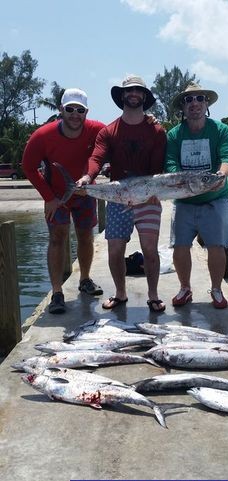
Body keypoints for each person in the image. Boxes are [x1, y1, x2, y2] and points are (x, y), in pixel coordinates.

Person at [77, 75, 167, 312]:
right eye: (129, 90)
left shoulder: (157, 130)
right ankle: (120, 293)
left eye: (138, 90)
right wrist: (88, 178)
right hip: (118, 197)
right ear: (122, 96)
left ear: (144, 97)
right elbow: (97, 157)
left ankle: (154, 295)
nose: (134, 94)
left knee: (150, 249)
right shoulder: (109, 131)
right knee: (115, 248)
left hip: (149, 198)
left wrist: (153, 191)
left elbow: (159, 168)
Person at [22, 88, 105, 314]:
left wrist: (150, 119)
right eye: (70, 109)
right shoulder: (43, 135)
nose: (75, 114)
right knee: (57, 238)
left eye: (80, 110)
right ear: (61, 110)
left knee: (86, 236)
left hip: (85, 194)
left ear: (86, 112)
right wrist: (49, 197)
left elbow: (115, 141)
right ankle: (57, 292)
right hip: (57, 196)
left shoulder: (97, 130)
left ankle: (85, 279)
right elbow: (28, 166)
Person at [165, 82, 228, 309]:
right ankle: (185, 288)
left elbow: (227, 158)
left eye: (199, 98)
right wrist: (181, 180)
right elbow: (171, 162)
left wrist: (221, 176)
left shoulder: (221, 130)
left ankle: (216, 289)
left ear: (206, 104)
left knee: (217, 245)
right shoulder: (174, 135)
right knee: (180, 246)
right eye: (188, 99)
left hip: (215, 198)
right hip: (184, 199)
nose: (194, 103)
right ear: (182, 107)